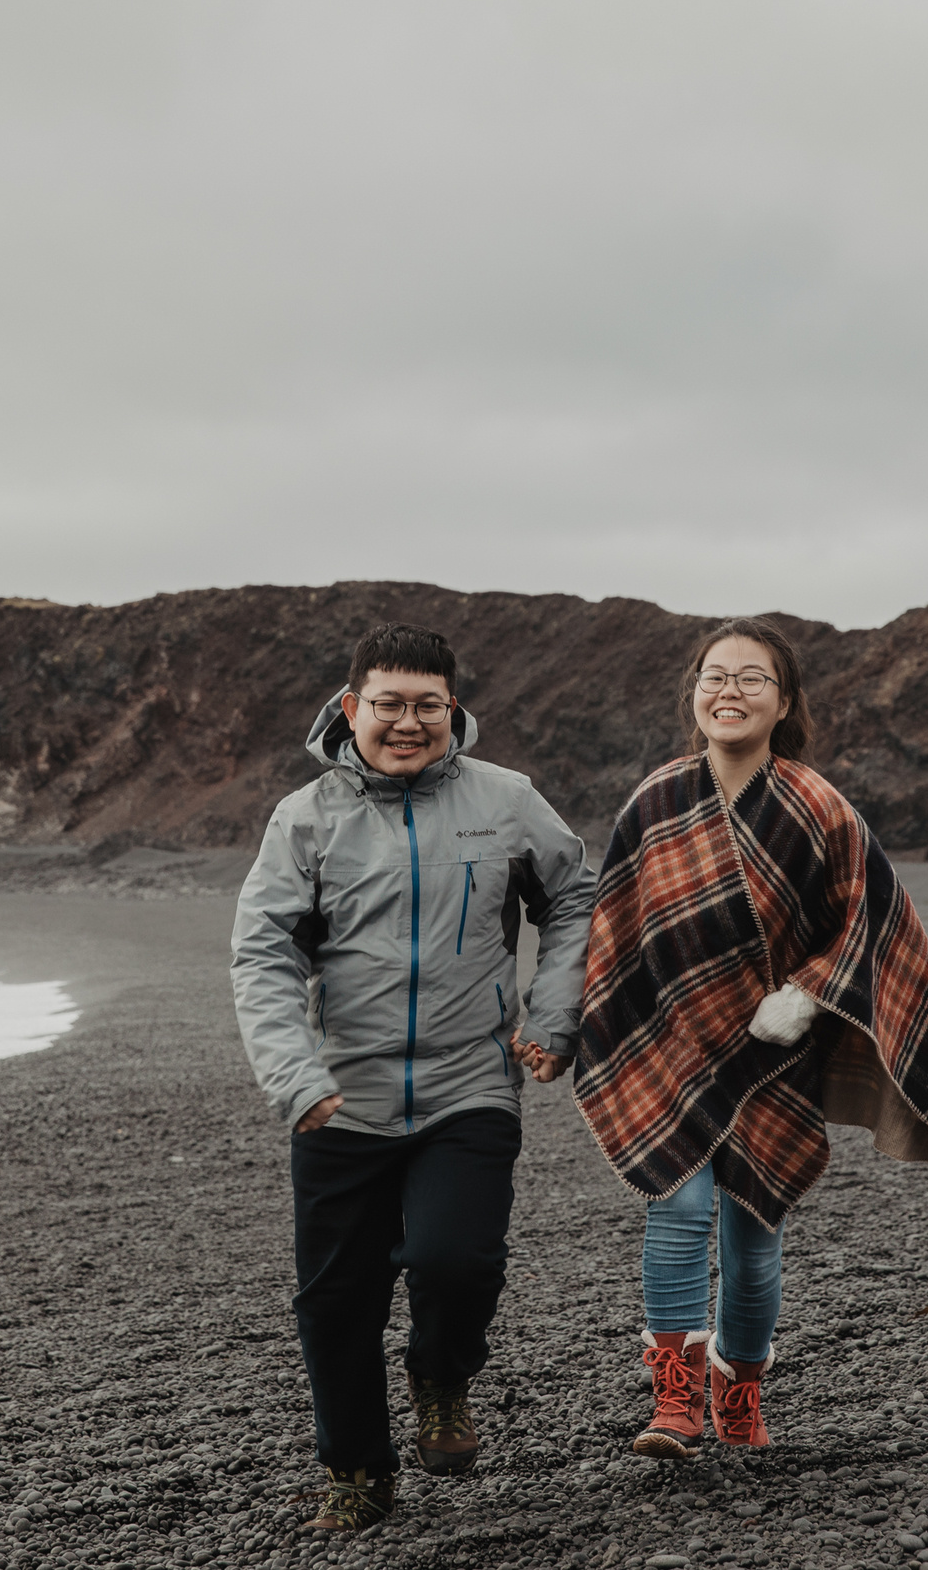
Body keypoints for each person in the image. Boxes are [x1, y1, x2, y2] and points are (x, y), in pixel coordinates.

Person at [528, 616, 928, 1457]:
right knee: (678, 1203)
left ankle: (741, 1389)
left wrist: (809, 994)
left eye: (751, 679)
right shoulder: (655, 799)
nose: (728, 691)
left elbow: (872, 919)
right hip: (668, 1045)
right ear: (693, 693)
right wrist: (572, 1027)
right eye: (714, 676)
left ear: (784, 703)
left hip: (773, 1058)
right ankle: (675, 1402)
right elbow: (611, 927)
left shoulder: (819, 806)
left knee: (751, 1236)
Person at [231, 623, 598, 1533]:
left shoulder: (505, 799)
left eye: (426, 705)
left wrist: (553, 1018)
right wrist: (294, 1074)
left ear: (453, 710)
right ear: (351, 707)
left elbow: (576, 895)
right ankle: (357, 1469)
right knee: (337, 1296)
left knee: (455, 1259)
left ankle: (440, 1371)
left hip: (469, 1082)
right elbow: (263, 950)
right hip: (339, 1098)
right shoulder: (305, 817)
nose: (407, 722)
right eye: (388, 704)